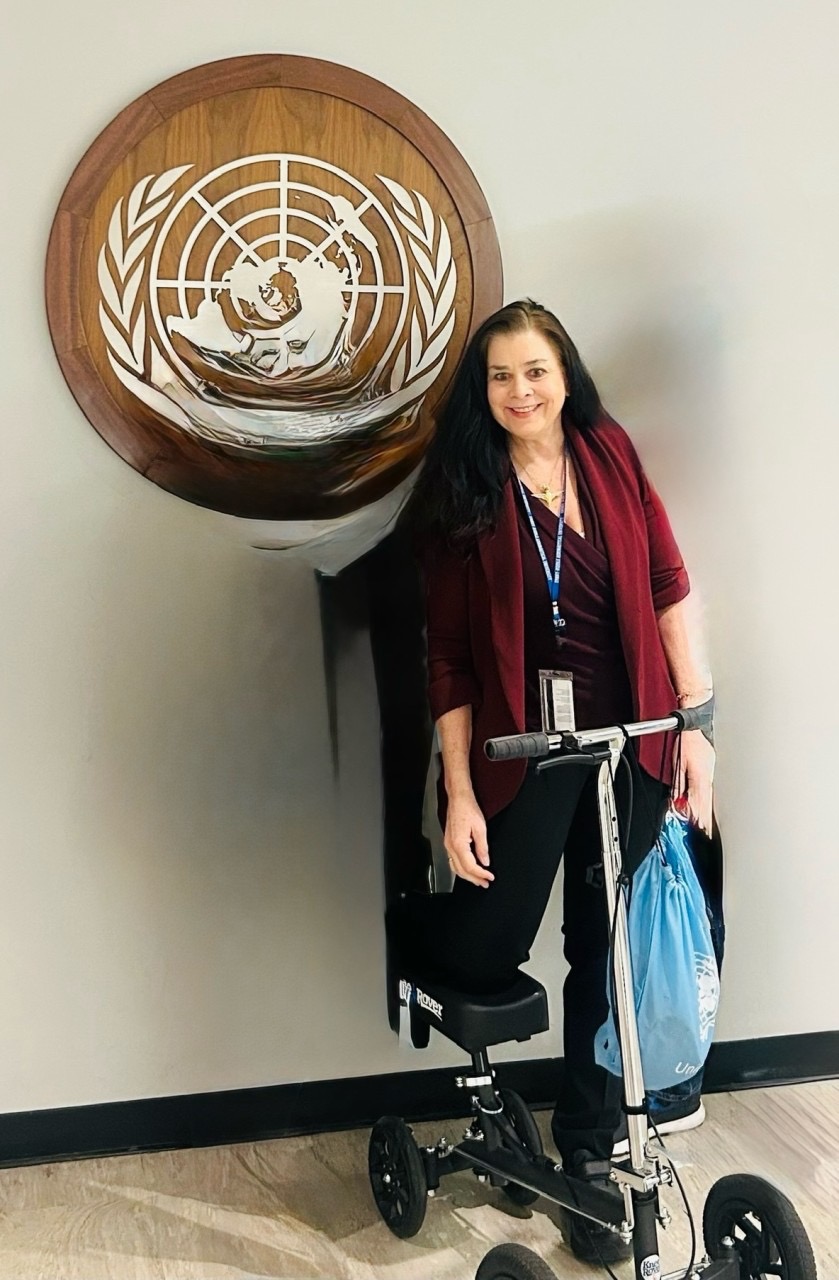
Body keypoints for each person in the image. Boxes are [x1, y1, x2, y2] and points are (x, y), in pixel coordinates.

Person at [387, 299, 716, 1264]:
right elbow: (448, 658)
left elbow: (665, 581)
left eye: (534, 371)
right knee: (495, 937)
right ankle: (419, 933)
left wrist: (695, 724)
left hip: (630, 740)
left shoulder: (608, 454)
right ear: (481, 392)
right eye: (499, 377)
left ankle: (586, 1148)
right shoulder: (466, 490)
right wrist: (456, 795)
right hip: (520, 752)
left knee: (604, 953)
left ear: (565, 375)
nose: (519, 392)